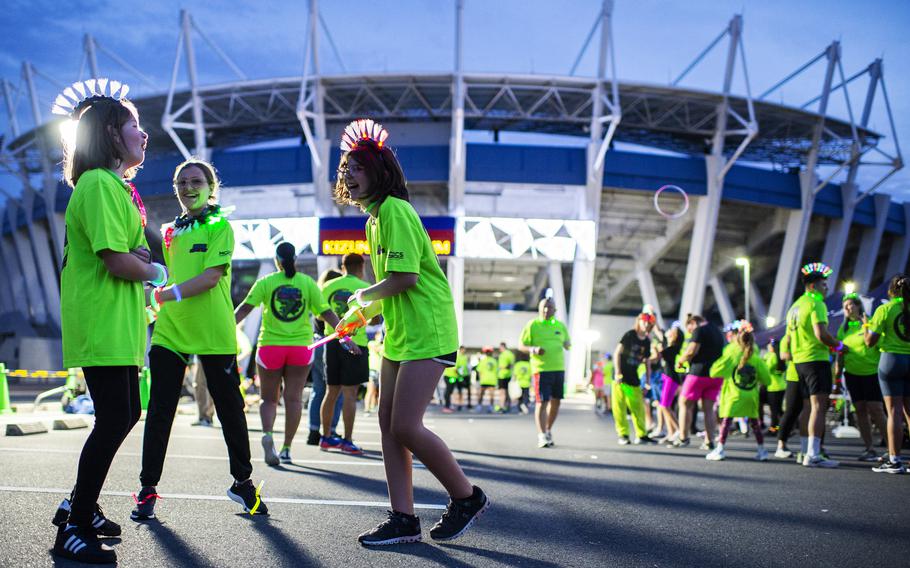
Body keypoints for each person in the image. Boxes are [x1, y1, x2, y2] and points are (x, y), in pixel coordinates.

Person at [332, 119, 488, 544]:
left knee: (404, 426)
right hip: (400, 335)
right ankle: (403, 519)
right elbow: (388, 290)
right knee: (387, 427)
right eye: (346, 167)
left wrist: (362, 297)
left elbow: (404, 278)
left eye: (358, 167)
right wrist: (360, 316)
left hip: (428, 331)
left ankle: (466, 496)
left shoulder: (395, 211)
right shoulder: (373, 221)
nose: (349, 174)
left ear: (380, 171)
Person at [51, 85, 162, 564]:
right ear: (111, 135)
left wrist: (137, 258)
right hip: (100, 321)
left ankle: (82, 506)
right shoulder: (97, 184)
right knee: (116, 416)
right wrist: (151, 268)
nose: (144, 133)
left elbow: (129, 253)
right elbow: (120, 260)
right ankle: (74, 525)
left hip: (117, 322)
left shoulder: (113, 187)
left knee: (125, 413)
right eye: (134, 124)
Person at [131, 158, 268, 522]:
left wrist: (166, 294)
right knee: (160, 410)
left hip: (213, 331)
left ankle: (243, 481)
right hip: (170, 330)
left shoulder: (220, 226)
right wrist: (149, 270)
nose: (187, 188)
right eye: (181, 182)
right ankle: (147, 489)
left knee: (230, 410)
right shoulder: (168, 231)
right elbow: (172, 274)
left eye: (195, 181)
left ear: (211, 187)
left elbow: (210, 277)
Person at [235, 242, 339, 464]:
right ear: (295, 260)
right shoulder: (307, 283)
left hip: (270, 346)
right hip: (300, 348)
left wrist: (225, 328)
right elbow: (327, 312)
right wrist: (345, 335)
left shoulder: (266, 282)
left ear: (276, 261)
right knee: (293, 400)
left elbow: (244, 308)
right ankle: (286, 448)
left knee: (268, 400)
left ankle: (268, 435)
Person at [785, 262, 843, 468]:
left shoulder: (795, 306)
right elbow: (821, 334)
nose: (826, 288)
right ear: (812, 286)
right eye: (823, 284)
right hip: (815, 360)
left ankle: (804, 451)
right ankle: (813, 454)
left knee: (808, 409)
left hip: (799, 362)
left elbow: (788, 339)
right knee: (819, 407)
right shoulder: (816, 303)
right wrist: (839, 345)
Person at [319, 252, 372, 454]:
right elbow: (374, 319)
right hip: (355, 344)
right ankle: (347, 440)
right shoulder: (364, 289)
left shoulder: (328, 286)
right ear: (361, 266)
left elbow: (320, 313)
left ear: (343, 266)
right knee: (350, 395)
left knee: (331, 392)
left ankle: (325, 437)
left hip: (331, 342)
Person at [706, 322, 771, 461]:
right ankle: (762, 450)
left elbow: (714, 371)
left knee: (726, 422)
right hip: (751, 396)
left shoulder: (731, 354)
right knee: (755, 424)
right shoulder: (756, 358)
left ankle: (720, 449)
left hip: (733, 395)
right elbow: (767, 379)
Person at [865, 275, 910, 474]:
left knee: (894, 412)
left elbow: (870, 342)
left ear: (891, 290)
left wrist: (867, 327)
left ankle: (894, 460)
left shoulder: (885, 309)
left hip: (891, 361)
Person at [834, 292, 886, 461]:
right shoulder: (843, 329)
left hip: (871, 373)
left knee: (876, 410)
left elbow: (875, 343)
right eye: (845, 306)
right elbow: (839, 353)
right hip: (852, 374)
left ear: (858, 306)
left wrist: (865, 326)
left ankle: (892, 448)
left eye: (851, 305)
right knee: (861, 411)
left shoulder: (869, 322)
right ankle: (869, 448)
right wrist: (836, 375)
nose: (848, 309)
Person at [521, 297, 572, 448]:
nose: (546, 310)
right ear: (538, 308)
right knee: (542, 402)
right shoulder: (532, 325)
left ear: (554, 310)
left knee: (556, 402)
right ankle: (541, 435)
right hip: (541, 369)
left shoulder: (560, 326)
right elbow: (521, 345)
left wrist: (568, 345)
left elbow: (567, 343)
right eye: (543, 307)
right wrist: (533, 349)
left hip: (558, 368)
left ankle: (548, 429)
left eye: (549, 307)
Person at [674, 314, 725, 449]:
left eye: (689, 328)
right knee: (709, 409)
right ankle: (709, 441)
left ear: (693, 322)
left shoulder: (700, 330)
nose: (690, 331)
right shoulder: (718, 331)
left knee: (684, 403)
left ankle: (683, 438)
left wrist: (681, 361)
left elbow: (691, 351)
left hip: (698, 373)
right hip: (715, 375)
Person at [307, 268, 344, 445]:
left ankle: (313, 431)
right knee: (336, 391)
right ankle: (331, 430)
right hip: (331, 342)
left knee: (318, 390)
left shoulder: (318, 296)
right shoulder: (333, 301)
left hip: (317, 343)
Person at [612, 313, 659, 445]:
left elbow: (647, 362)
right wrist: (618, 372)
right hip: (620, 377)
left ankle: (641, 435)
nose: (646, 325)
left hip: (633, 377)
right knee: (619, 407)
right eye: (644, 322)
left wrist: (648, 383)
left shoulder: (647, 341)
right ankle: (623, 435)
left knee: (638, 407)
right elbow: (617, 353)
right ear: (639, 321)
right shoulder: (630, 335)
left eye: (649, 323)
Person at [656, 323, 684, 444]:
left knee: (664, 405)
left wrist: (659, 343)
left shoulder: (673, 349)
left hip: (671, 378)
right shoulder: (672, 347)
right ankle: (671, 433)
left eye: (672, 331)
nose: (669, 332)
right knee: (666, 406)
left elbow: (659, 354)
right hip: (668, 378)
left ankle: (678, 429)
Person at [763, 338, 787, 435]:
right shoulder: (777, 355)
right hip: (780, 386)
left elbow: (766, 369)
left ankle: (774, 429)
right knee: (779, 411)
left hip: (774, 387)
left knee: (774, 411)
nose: (768, 346)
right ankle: (786, 427)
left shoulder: (772, 356)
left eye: (769, 345)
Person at [365, 329, 384, 415]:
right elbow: (376, 349)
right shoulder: (371, 343)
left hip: (379, 370)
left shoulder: (382, 345)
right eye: (379, 335)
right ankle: (366, 409)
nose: (381, 337)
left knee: (375, 391)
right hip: (372, 370)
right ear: (376, 335)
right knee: (370, 390)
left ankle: (372, 407)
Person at [476, 347, 498, 413]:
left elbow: (479, 371)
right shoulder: (494, 361)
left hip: (484, 380)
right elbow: (497, 371)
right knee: (491, 395)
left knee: (482, 394)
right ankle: (490, 407)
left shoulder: (483, 361)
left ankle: (479, 406)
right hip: (492, 380)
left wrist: (480, 379)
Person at [496, 342, 515, 413]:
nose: (499, 349)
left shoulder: (508, 354)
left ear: (503, 347)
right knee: (506, 391)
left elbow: (511, 364)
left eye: (500, 347)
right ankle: (508, 406)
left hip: (504, 375)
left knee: (502, 392)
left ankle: (502, 406)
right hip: (502, 375)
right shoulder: (503, 354)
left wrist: (504, 367)